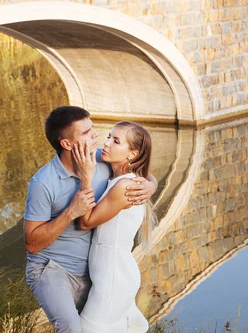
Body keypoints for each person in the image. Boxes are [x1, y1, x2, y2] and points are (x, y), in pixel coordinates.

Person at [24, 106, 158, 332]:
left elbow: (133, 167)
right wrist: (70, 212)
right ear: (67, 144)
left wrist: (150, 184)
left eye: (93, 128)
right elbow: (32, 243)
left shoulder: (102, 159)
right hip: (52, 268)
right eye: (86, 133)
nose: (96, 136)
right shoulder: (43, 183)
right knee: (72, 328)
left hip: (93, 270)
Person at [73, 121, 153, 332]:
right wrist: (152, 184)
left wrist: (86, 178)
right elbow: (148, 175)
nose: (106, 143)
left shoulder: (124, 186)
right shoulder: (124, 178)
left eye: (116, 141)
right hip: (115, 273)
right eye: (108, 136)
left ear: (132, 154)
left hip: (113, 278)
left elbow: (85, 222)